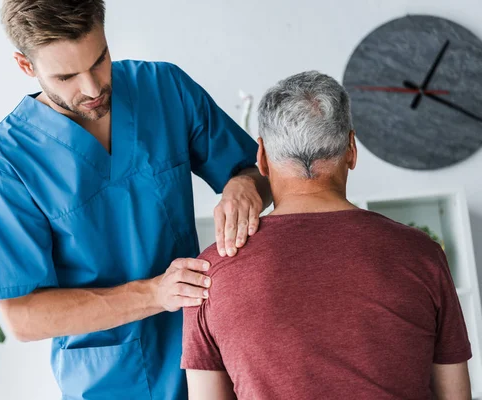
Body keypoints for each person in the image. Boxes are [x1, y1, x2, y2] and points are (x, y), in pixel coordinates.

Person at [0, 1, 272, 399]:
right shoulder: (5, 162)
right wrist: (154, 294)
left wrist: (244, 184)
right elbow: (23, 316)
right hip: (110, 380)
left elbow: (259, 172)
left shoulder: (164, 88)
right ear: (26, 66)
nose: (93, 89)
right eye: (66, 76)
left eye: (99, 61)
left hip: (211, 356)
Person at [181, 71, 472, 400]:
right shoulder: (423, 255)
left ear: (260, 157)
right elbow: (456, 394)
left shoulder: (208, 273)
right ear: (351, 149)